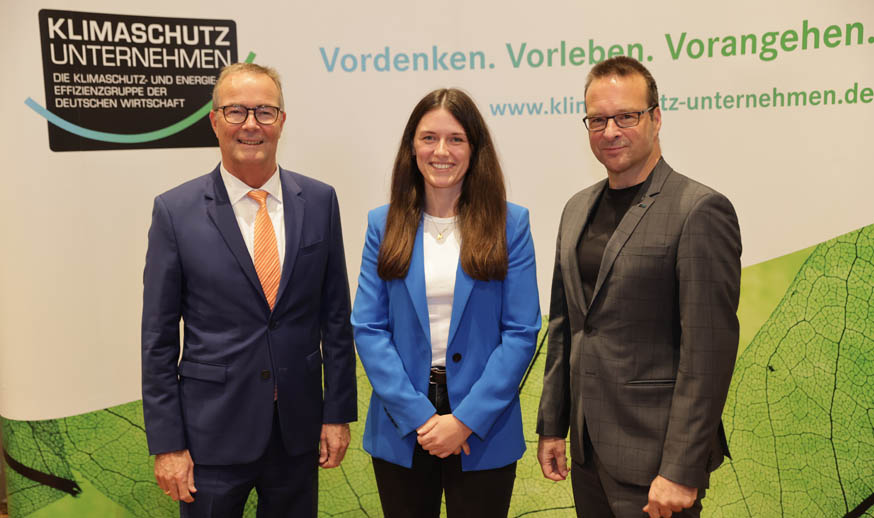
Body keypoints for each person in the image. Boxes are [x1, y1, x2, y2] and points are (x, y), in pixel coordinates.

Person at [141, 62, 357, 518]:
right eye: (236, 111)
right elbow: (157, 340)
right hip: (211, 436)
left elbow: (336, 318)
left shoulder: (320, 201)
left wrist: (337, 414)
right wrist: (168, 444)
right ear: (214, 120)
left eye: (264, 111)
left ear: (282, 120)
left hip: (297, 432)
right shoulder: (175, 212)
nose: (251, 124)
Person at [536, 56, 742, 518]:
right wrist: (553, 424)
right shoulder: (576, 209)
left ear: (656, 117)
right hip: (588, 453)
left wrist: (682, 469)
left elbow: (708, 353)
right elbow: (566, 325)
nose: (610, 131)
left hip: (657, 465)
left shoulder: (699, 210)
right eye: (597, 120)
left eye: (626, 116)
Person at [351, 88, 541, 518]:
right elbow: (369, 328)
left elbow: (520, 332)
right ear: (411, 147)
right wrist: (420, 416)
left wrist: (464, 420)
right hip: (403, 426)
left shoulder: (511, 224)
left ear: (475, 149)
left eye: (456, 139)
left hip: (483, 427)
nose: (441, 151)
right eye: (429, 138)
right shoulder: (383, 223)